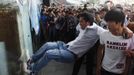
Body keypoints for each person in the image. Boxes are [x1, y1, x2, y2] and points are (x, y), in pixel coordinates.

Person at [27, 12, 106, 75]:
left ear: (88, 22)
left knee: (49, 53)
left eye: (81, 21)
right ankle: (32, 60)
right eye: (79, 21)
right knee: (47, 45)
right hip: (66, 46)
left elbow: (109, 34)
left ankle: (33, 70)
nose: (79, 23)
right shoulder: (80, 26)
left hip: (71, 54)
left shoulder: (97, 30)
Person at [96, 8, 134, 75]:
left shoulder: (130, 37)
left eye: (110, 22)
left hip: (120, 71)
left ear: (119, 22)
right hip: (105, 69)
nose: (107, 24)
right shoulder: (104, 34)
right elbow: (100, 49)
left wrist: (126, 70)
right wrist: (98, 66)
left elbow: (129, 56)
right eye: (107, 21)